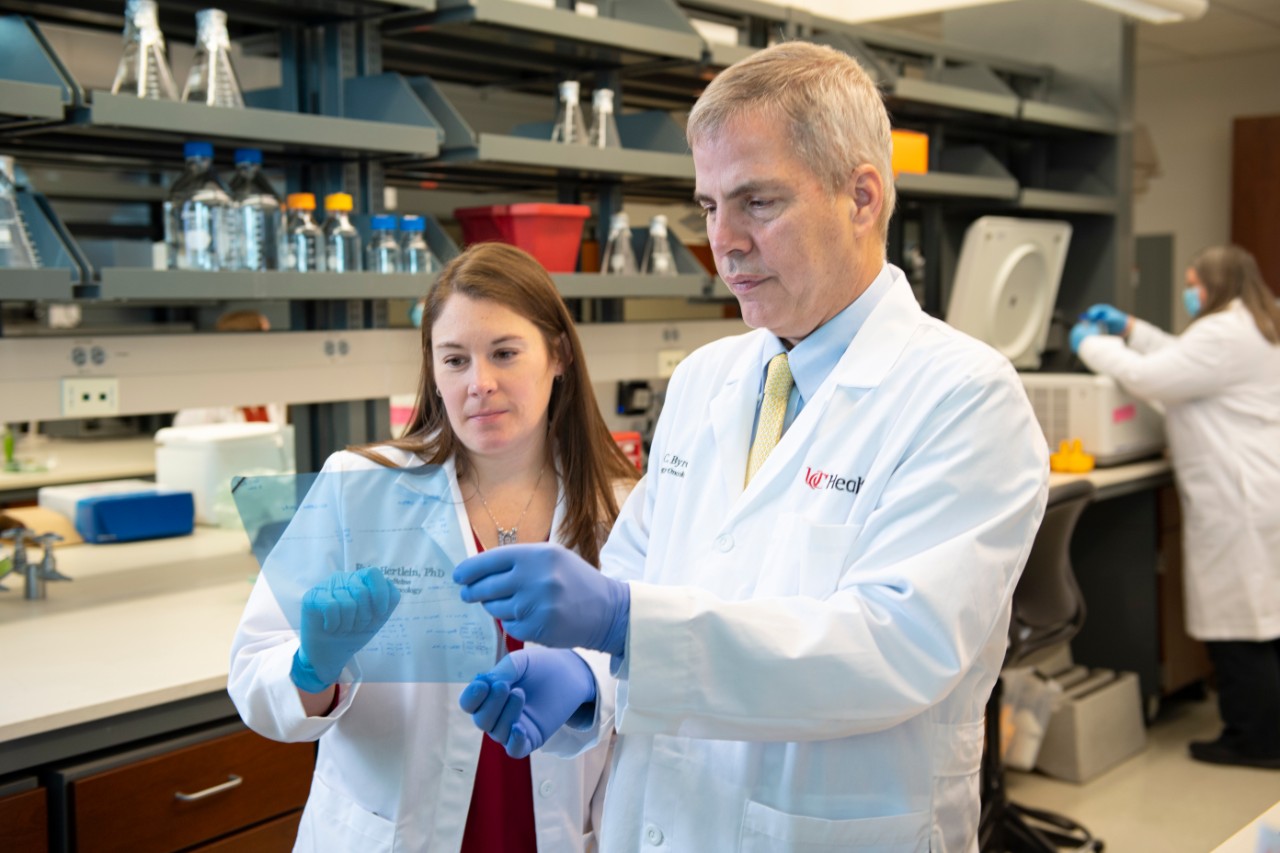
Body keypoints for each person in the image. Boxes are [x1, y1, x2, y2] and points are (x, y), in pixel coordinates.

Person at [453, 42, 1050, 851]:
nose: (721, 242)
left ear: (862, 196)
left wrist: (624, 625)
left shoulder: (963, 397)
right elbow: (638, 575)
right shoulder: (708, 378)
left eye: (757, 202)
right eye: (706, 206)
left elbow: (893, 648)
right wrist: (586, 677)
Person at [228, 242, 640, 851]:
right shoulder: (357, 489)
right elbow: (253, 674)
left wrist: (589, 682)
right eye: (455, 360)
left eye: (504, 353)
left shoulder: (623, 510)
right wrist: (315, 669)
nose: (480, 384)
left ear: (558, 356)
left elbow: (662, 669)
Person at [1072, 244, 1280, 769]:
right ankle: (1263, 731)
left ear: (1214, 286)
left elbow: (1152, 377)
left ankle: (1252, 740)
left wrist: (1090, 347)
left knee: (1241, 627)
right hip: (1260, 489)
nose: (1190, 292)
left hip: (1239, 497)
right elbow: (1180, 356)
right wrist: (1132, 328)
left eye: (1194, 283)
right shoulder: (1257, 322)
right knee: (1264, 622)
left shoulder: (1223, 333)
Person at [172, 310, 287, 426]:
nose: (272, 343)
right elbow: (183, 433)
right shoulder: (209, 396)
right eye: (266, 334)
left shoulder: (275, 388)